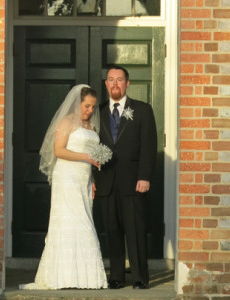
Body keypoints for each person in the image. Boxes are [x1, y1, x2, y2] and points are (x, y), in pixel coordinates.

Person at [19, 84, 108, 290]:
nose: (90, 111)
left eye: (93, 107)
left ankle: (84, 277)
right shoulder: (66, 122)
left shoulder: (89, 127)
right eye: (87, 106)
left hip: (83, 179)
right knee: (71, 222)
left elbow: (90, 154)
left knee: (84, 220)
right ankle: (62, 276)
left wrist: (92, 179)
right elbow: (59, 150)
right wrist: (86, 157)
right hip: (66, 177)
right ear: (78, 103)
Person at [94, 66, 157, 289]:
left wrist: (145, 176)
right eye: (111, 80)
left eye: (119, 80)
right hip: (106, 182)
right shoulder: (97, 112)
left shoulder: (142, 110)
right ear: (106, 84)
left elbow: (149, 146)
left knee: (135, 231)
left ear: (127, 83)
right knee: (112, 231)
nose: (115, 84)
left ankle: (140, 277)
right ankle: (117, 276)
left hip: (133, 182)